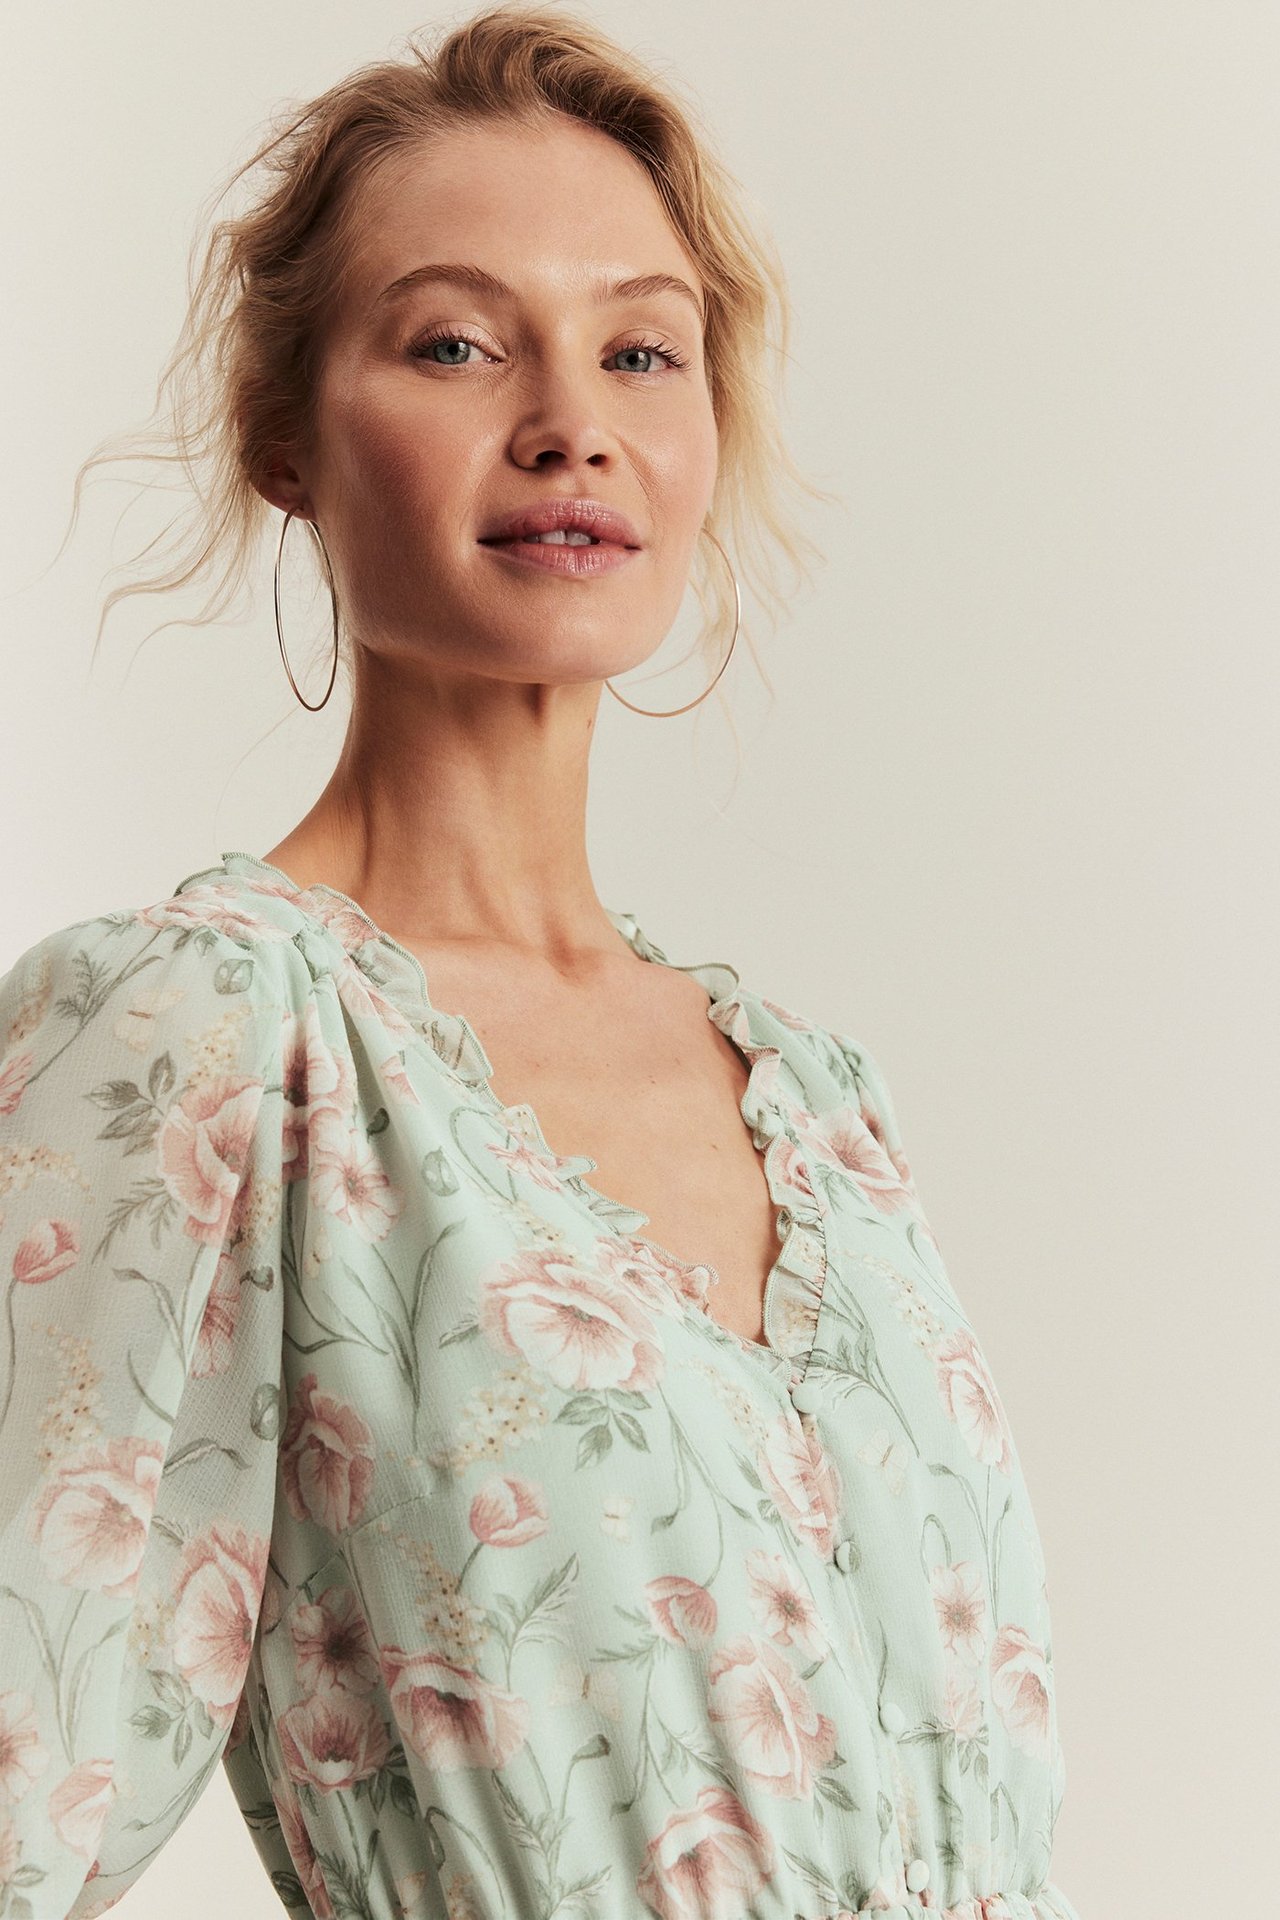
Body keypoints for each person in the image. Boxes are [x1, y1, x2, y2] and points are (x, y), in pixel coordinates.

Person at [0, 8, 1082, 1918]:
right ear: (283, 438)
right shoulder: (217, 1037)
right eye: (454, 342)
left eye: (640, 347)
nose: (571, 416)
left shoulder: (819, 1102)